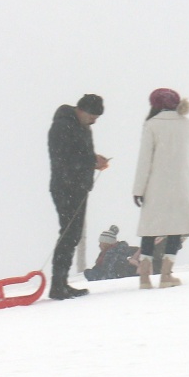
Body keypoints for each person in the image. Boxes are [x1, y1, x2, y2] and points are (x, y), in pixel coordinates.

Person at [131, 89, 189, 289]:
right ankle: (166, 275)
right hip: (182, 185)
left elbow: (144, 160)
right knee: (175, 230)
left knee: (150, 229)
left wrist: (138, 189)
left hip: (155, 185)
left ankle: (144, 277)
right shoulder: (188, 125)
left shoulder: (151, 125)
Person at [46, 93, 111, 300]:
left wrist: (93, 161)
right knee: (69, 234)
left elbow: (80, 154)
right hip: (65, 187)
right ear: (81, 110)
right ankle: (58, 284)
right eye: (92, 116)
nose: (94, 120)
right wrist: (92, 161)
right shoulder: (62, 125)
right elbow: (64, 157)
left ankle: (62, 283)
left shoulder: (83, 127)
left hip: (79, 188)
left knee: (72, 235)